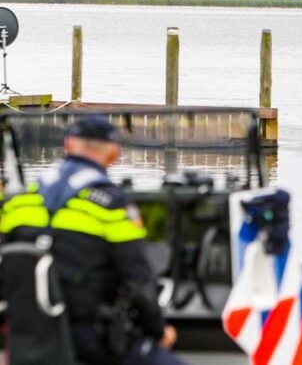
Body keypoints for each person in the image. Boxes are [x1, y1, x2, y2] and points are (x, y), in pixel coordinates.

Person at [0, 116, 185, 365]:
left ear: (68, 145)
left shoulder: (18, 203)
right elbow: (138, 283)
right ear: (113, 153)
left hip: (26, 335)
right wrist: (159, 331)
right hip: (88, 338)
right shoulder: (112, 206)